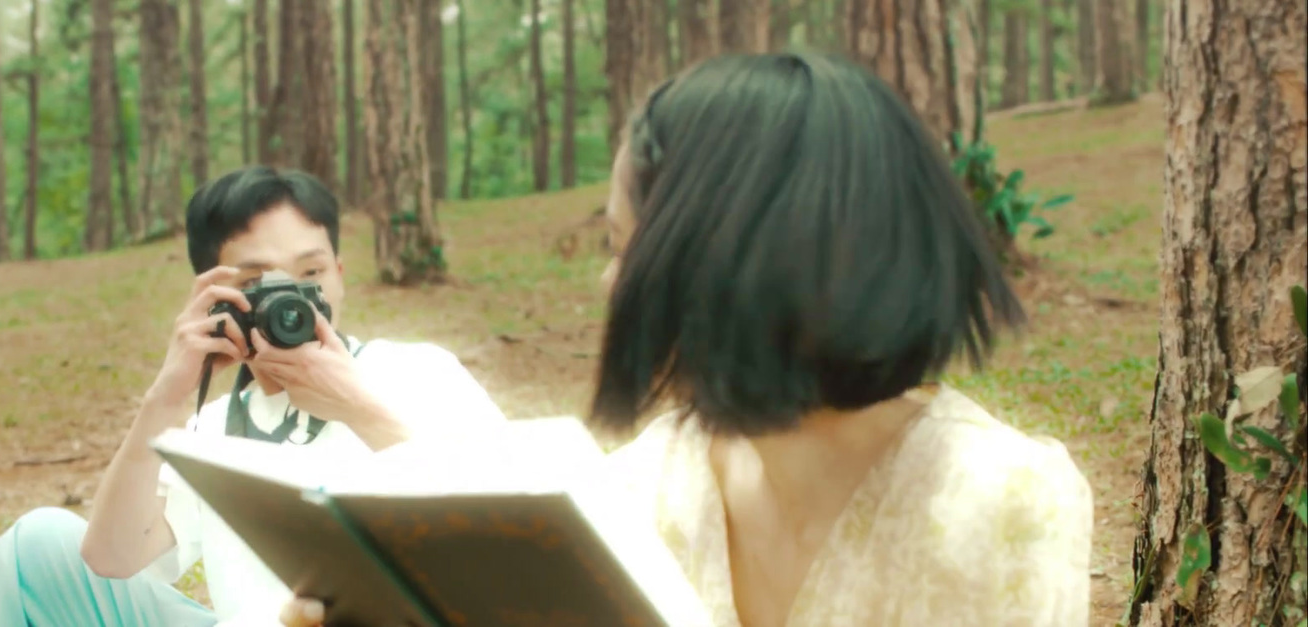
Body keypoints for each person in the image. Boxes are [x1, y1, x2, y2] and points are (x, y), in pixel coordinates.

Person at [280, 52, 1093, 626]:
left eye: (624, 247)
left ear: (730, 262)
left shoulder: (999, 503)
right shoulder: (649, 484)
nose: (611, 284)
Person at [0, 166, 508, 626]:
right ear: (212, 293)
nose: (292, 299)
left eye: (309, 272)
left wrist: (359, 408)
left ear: (338, 273)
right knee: (37, 544)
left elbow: (507, 548)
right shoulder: (213, 424)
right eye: (258, 281)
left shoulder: (417, 371)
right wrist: (167, 396)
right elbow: (112, 557)